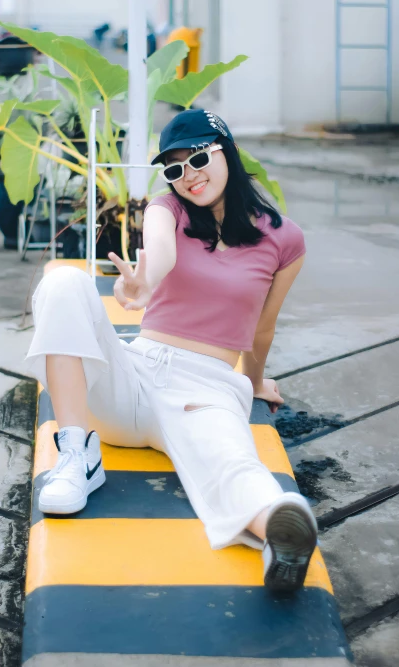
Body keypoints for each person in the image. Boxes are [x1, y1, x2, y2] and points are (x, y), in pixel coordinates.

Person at [25, 109, 318, 592]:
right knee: (63, 283)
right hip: (132, 379)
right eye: (175, 168)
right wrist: (142, 285)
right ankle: (77, 455)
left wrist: (253, 380)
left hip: (205, 389)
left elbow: (263, 328)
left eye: (198, 158)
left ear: (227, 151)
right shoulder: (170, 208)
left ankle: (280, 535)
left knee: (233, 465)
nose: (189, 176)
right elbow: (160, 252)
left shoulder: (285, 239)